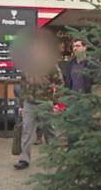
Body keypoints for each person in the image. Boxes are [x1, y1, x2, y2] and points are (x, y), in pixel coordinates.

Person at [13, 32, 64, 170]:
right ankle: (24, 159)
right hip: (29, 103)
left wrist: (55, 102)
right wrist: (21, 104)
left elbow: (59, 83)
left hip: (45, 102)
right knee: (27, 131)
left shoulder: (51, 66)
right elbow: (22, 85)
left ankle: (54, 156)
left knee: (49, 131)